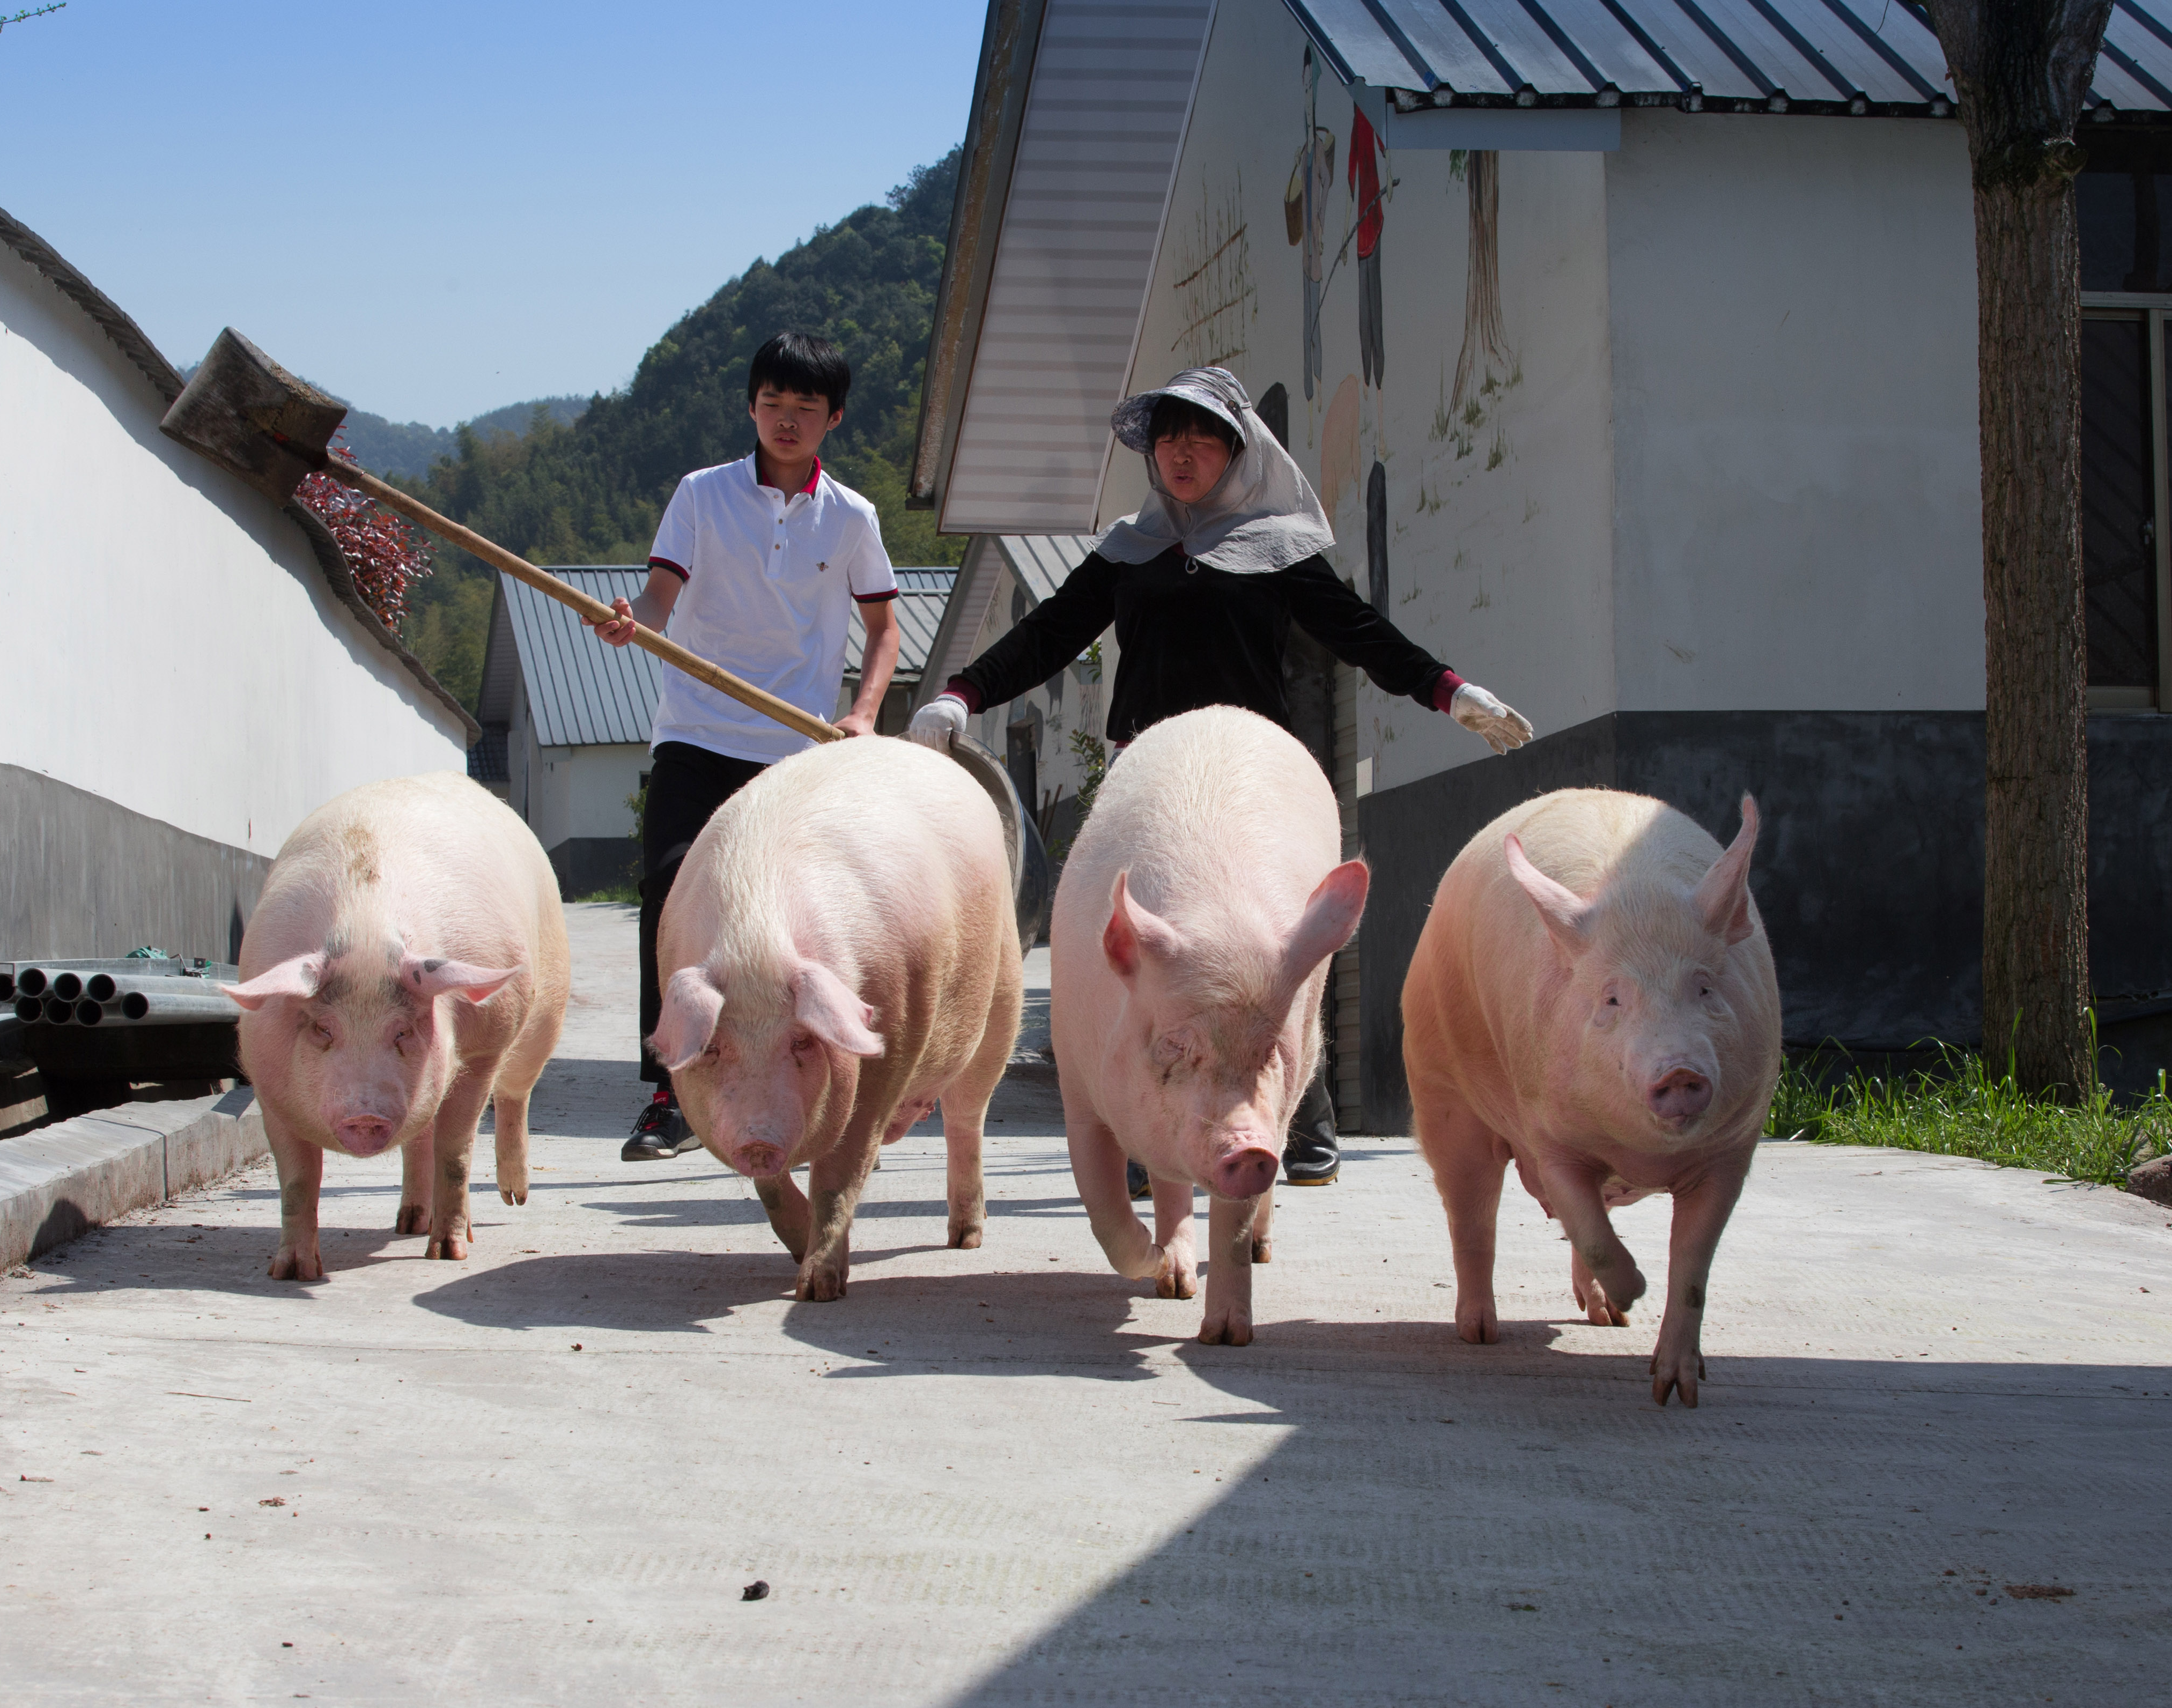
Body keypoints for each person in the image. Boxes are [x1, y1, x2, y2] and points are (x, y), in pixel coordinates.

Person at [907, 365, 1530, 1187]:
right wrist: (960, 692)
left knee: (1275, 944)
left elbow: (1361, 633)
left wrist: (1451, 693)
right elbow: (1049, 633)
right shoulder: (1131, 551)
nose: (1180, 451)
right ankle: (1145, 1131)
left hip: (1248, 781)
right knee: (1151, 960)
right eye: (1167, 437)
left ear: (1239, 453)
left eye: (1200, 436)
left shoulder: (1278, 550)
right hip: (1151, 782)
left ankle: (1298, 1118)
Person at [594, 332, 902, 1162]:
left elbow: (883, 630)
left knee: (811, 926)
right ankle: (669, 1091)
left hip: (794, 757)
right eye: (772, 403)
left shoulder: (852, 516)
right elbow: (660, 596)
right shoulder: (701, 495)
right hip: (697, 735)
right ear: (751, 406)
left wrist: (864, 714)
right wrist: (636, 624)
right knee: (668, 894)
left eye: (805, 409)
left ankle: (834, 1079)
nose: (786, 421)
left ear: (833, 418)